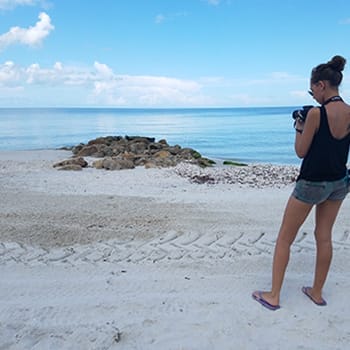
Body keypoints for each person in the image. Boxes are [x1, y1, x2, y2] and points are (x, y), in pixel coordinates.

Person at [252, 55, 350, 311]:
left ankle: (273, 295)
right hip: (339, 183)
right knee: (324, 237)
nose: (313, 96)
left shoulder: (316, 114)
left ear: (321, 85)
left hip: (311, 183)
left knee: (285, 238)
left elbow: (301, 151)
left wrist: (299, 124)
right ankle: (316, 293)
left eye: (312, 90)